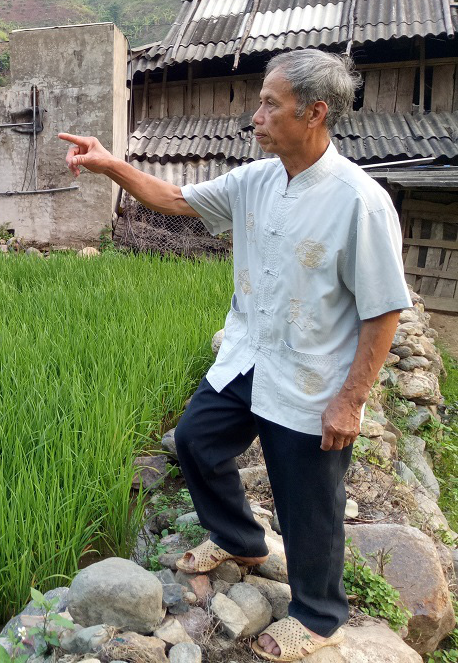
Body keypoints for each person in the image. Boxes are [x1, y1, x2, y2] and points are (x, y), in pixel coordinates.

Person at [59, 48, 412, 661]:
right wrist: (111, 164)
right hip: (250, 358)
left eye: (270, 104)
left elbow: (383, 310)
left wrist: (351, 399)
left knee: (309, 501)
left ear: (314, 113)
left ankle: (319, 615)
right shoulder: (256, 179)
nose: (255, 116)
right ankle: (240, 539)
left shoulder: (360, 201)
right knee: (196, 440)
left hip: (311, 377)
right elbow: (172, 200)